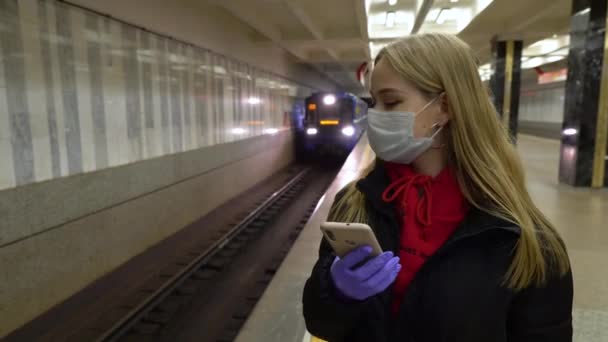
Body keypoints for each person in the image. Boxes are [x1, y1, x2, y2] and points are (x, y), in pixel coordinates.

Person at [302, 33, 573, 342]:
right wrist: (335, 293)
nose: (376, 117)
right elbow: (321, 324)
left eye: (391, 102)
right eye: (374, 103)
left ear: (445, 107)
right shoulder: (355, 203)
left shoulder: (525, 240)